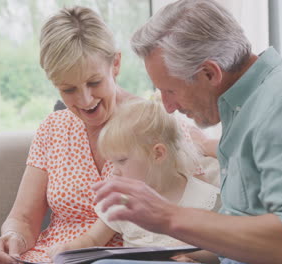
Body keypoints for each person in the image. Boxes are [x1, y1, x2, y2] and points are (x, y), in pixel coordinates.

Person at [91, 1, 282, 264]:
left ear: (210, 73)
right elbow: (249, 227)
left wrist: (168, 217)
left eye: (171, 90)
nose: (168, 107)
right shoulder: (250, 106)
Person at [0, 6, 209, 264]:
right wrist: (12, 240)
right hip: (51, 256)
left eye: (93, 83)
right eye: (68, 89)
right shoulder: (53, 128)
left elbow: (197, 210)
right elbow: (23, 218)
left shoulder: (157, 124)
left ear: (116, 64)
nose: (85, 100)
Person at [47, 100, 220, 262]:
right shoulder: (121, 200)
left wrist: (191, 254)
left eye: (121, 160)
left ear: (158, 153)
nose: (114, 170)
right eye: (111, 162)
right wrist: (69, 249)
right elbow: (92, 238)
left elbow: (223, 251)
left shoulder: (207, 199)